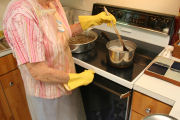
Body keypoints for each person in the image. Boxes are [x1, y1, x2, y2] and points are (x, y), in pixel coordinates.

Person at [3, 0, 116, 120]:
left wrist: (92, 21)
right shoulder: (21, 15)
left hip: (66, 84)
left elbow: (61, 34)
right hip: (47, 96)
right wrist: (74, 78)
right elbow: (37, 71)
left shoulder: (52, 3)